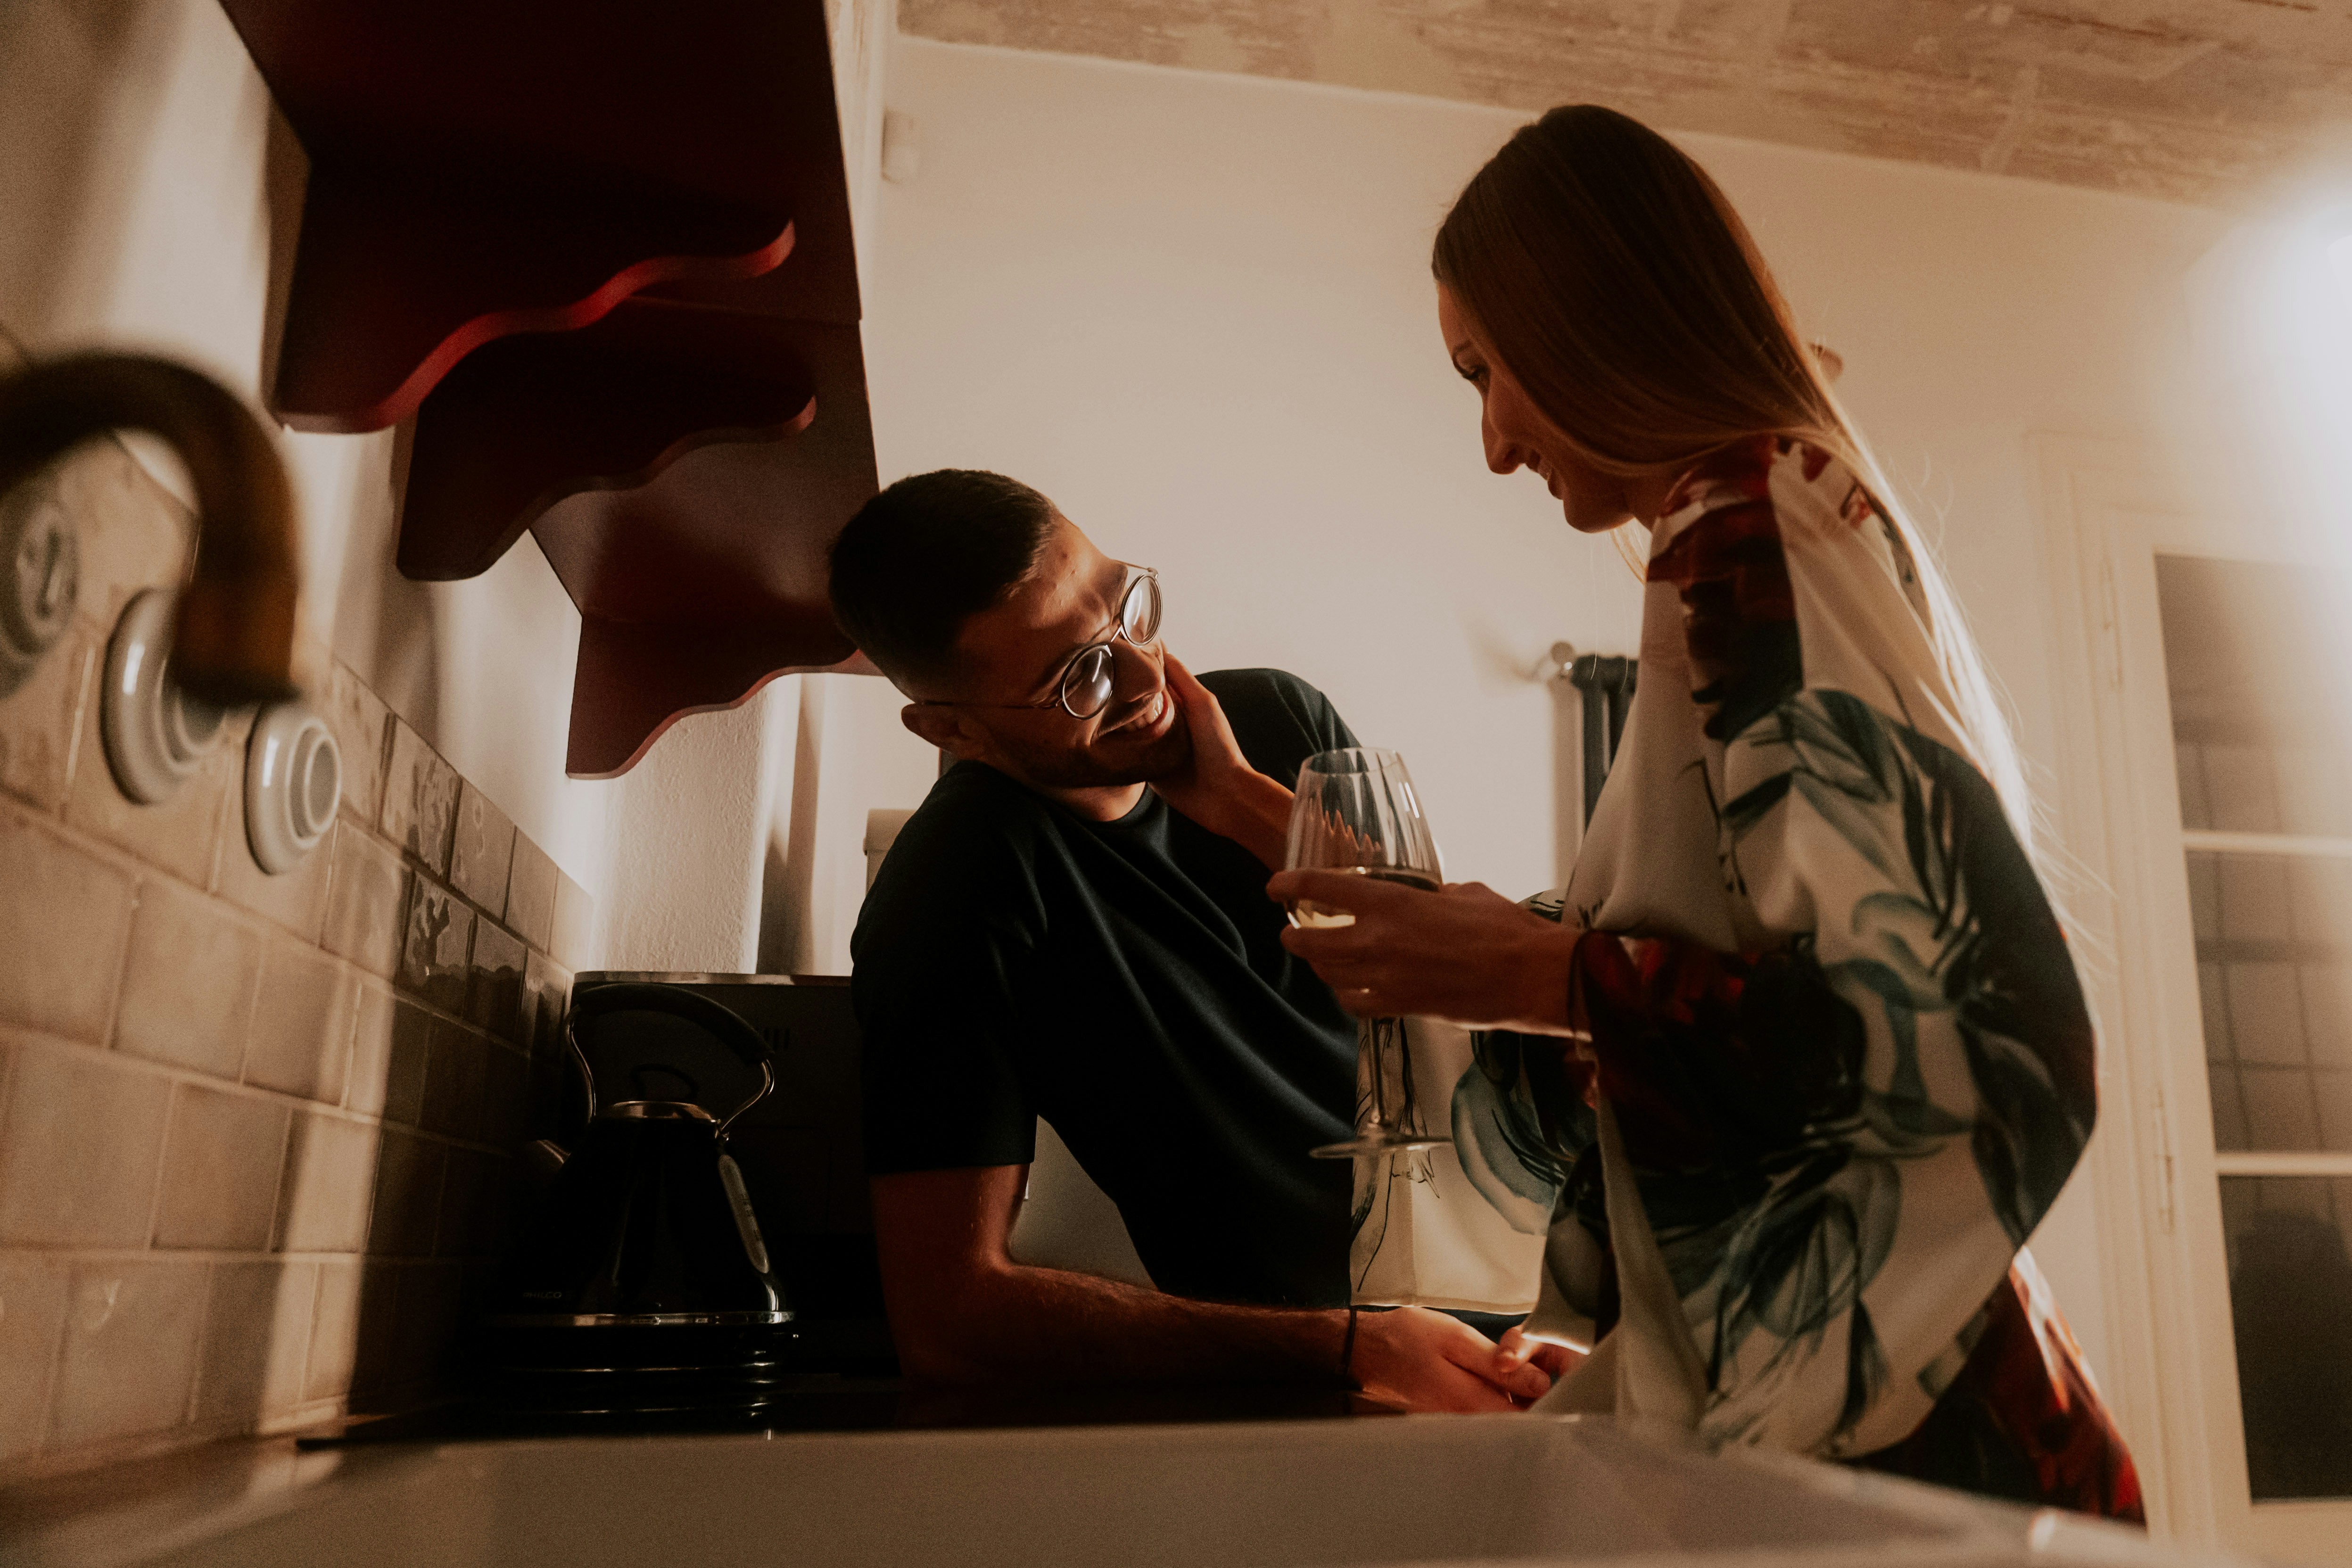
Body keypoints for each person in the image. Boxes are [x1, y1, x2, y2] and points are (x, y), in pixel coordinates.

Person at [1163, 107, 2143, 1518]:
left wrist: (1542, 973)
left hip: (1916, 1457)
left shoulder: (1741, 532)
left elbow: (1978, 1043)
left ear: (1592, 325)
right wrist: (1257, 810)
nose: (1494, 441)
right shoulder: (1772, 524)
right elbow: (1754, 992)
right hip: (1905, 1427)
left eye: (1485, 370)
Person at [829, 469, 1552, 1412]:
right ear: (951, 728)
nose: (1143, 675)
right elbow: (949, 1324)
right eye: (1076, 676)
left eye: (1128, 606)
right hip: (1315, 1391)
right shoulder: (952, 888)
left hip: (1530, 1297)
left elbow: (1450, 979)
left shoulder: (1273, 720)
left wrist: (1244, 801)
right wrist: (1351, 1348)